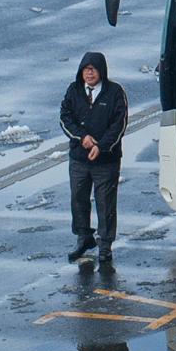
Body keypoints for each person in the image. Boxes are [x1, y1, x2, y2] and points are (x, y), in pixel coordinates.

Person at [61, 51, 128, 266]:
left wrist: (101, 146)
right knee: (78, 198)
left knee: (105, 203)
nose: (89, 73)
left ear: (102, 71)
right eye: (85, 69)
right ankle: (84, 237)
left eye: (93, 69)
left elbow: (120, 124)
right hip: (79, 159)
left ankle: (105, 244)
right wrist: (82, 138)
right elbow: (65, 118)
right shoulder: (74, 91)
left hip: (106, 161)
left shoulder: (115, 92)